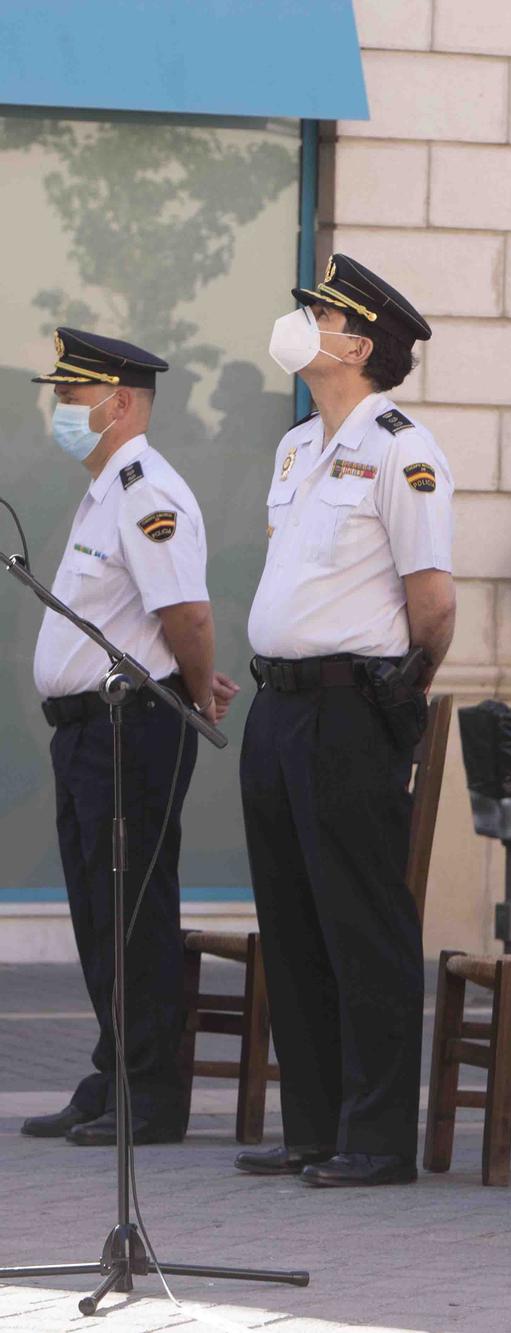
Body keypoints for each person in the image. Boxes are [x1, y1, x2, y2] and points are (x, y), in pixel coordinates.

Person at [233, 255, 453, 1188]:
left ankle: (376, 1137)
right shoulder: (296, 447)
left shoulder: (404, 447)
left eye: (317, 313)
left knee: (362, 923)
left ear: (356, 344)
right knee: (290, 921)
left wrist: (393, 703)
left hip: (350, 711)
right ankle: (314, 1125)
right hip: (277, 707)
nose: (301, 323)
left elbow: (432, 603)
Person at [19, 329, 236, 1149]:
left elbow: (187, 612)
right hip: (90, 729)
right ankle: (114, 1071)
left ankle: (150, 1092)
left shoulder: (148, 492)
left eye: (73, 396)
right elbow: (133, 619)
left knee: (133, 910)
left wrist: (190, 682)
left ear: (120, 403)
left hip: (130, 731)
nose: (61, 410)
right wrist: (182, 669)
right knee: (97, 910)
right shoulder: (105, 490)